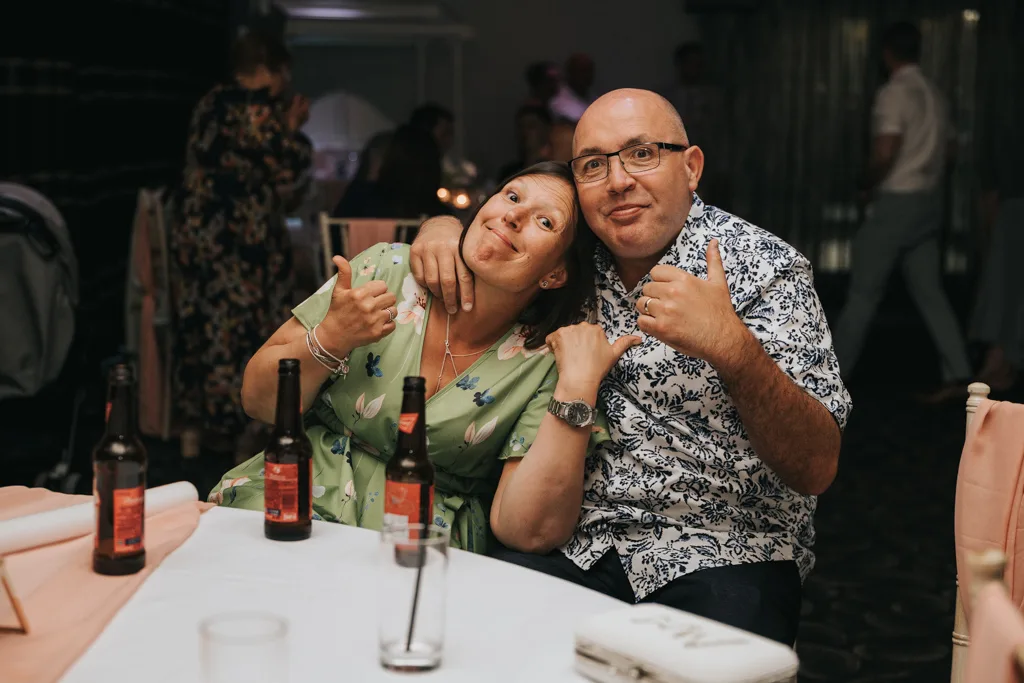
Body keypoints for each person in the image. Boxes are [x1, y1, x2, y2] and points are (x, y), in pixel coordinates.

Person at [410, 88, 851, 645]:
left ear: (690, 167)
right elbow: (499, 233)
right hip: (576, 541)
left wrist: (731, 346)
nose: (618, 180)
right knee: (464, 641)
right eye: (594, 165)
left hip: (727, 549)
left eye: (642, 153)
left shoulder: (765, 269)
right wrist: (441, 229)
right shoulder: (567, 259)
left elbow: (815, 467)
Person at [209, 162, 640, 552]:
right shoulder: (387, 270)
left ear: (556, 274)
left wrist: (578, 391)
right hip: (298, 495)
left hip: (418, 540)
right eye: (512, 196)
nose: (512, 215)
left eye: (545, 221)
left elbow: (527, 532)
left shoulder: (546, 359)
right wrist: (332, 337)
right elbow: (257, 401)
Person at [170, 30, 312, 461]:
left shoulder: (211, 102)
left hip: (199, 232)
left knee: (203, 324)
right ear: (270, 68)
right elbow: (288, 165)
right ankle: (236, 429)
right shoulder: (255, 109)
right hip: (235, 240)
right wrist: (292, 127)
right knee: (238, 330)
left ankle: (195, 428)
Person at [833, 21, 971, 397]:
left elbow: (885, 151)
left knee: (862, 295)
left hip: (897, 202)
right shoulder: (935, 94)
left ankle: (827, 383)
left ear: (886, 54)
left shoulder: (894, 93)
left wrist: (865, 183)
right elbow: (953, 151)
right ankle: (959, 374)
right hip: (928, 202)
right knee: (930, 292)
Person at [497, 105, 553, 182]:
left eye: (531, 126)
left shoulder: (553, 171)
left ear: (546, 129)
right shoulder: (509, 173)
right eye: (521, 127)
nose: (525, 132)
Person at [550, 53, 595, 123]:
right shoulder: (557, 102)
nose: (587, 75)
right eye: (582, 70)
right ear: (570, 72)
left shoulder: (595, 99)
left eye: (589, 71)